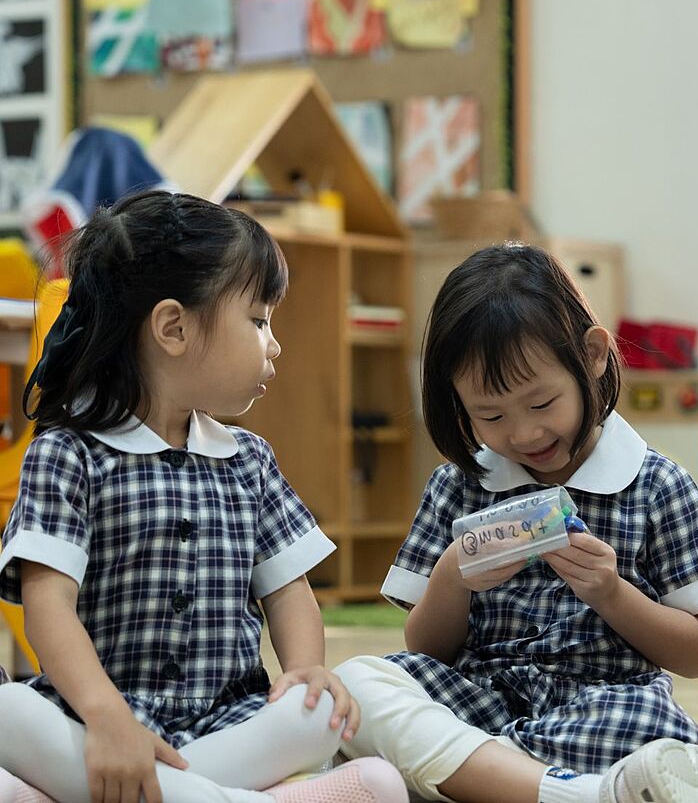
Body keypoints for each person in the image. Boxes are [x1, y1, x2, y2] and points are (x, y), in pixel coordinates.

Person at [0, 190, 407, 803]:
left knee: (320, 711)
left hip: (227, 723)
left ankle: (132, 793)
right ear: (174, 327)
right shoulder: (68, 454)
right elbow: (47, 604)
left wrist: (305, 671)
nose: (274, 345)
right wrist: (108, 719)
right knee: (7, 710)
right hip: (98, 724)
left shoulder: (249, 460)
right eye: (259, 320)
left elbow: (288, 590)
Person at [334, 243, 698, 803]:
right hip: (477, 700)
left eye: (542, 404)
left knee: (653, 726)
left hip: (601, 703)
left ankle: (490, 784)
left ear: (592, 356)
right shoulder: (457, 486)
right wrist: (452, 576)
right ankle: (583, 794)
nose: (522, 435)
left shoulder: (659, 486)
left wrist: (611, 593)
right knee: (356, 685)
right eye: (490, 415)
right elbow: (425, 649)